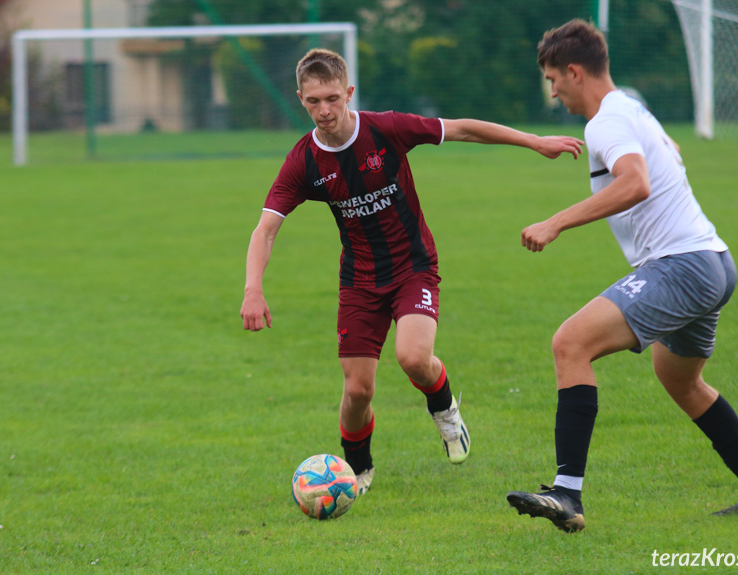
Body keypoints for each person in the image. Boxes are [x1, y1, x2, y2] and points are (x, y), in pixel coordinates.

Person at [241, 48, 583, 495]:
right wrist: (253, 289)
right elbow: (266, 229)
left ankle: (445, 410)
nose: (323, 110)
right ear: (300, 99)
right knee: (358, 391)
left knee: (413, 358)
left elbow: (461, 129)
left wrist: (535, 141)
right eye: (312, 102)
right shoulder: (304, 161)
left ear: (348, 93)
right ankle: (357, 471)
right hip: (359, 280)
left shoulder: (385, 129)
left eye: (331, 98)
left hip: (413, 267)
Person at [506, 19, 738, 533]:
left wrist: (555, 222)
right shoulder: (631, 107)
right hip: (714, 260)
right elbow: (666, 159)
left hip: (682, 265)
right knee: (680, 380)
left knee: (569, 343)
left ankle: (567, 495)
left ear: (575, 72)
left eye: (554, 80)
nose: (553, 93)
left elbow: (635, 183)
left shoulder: (604, 122)